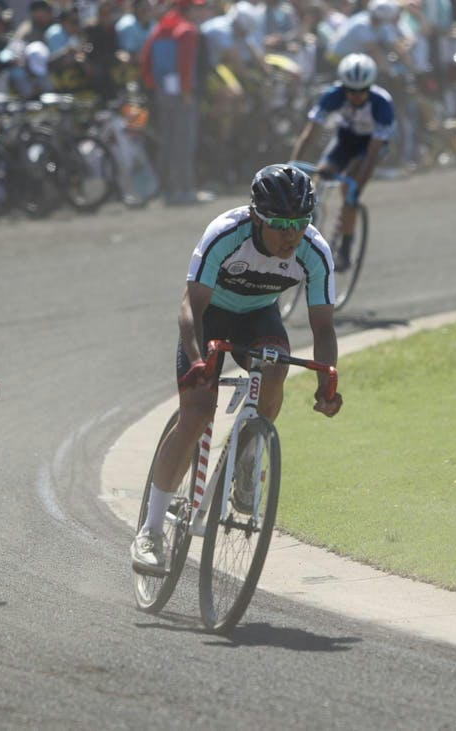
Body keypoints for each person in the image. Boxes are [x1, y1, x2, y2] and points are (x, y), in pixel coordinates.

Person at [130, 164, 342, 575]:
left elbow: (323, 326)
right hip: (210, 316)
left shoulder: (315, 250)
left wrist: (326, 383)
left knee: (275, 369)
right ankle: (150, 533)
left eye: (300, 224)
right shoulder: (226, 234)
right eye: (280, 225)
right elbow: (191, 307)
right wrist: (197, 361)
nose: (291, 236)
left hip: (259, 317)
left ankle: (248, 455)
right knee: (196, 414)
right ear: (257, 217)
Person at [290, 53, 394, 271]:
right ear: (343, 86)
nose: (356, 96)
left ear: (370, 87)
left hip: (369, 146)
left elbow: (372, 155)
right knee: (319, 177)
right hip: (345, 139)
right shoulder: (333, 95)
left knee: (349, 190)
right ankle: (310, 219)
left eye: (362, 91)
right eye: (351, 91)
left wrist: (356, 186)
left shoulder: (382, 104)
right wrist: (293, 165)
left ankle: (345, 249)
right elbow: (310, 134)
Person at [140, 0, 210, 206]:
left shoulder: (160, 27)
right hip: (182, 94)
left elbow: (145, 60)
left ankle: (169, 191)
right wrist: (187, 90)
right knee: (184, 143)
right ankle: (186, 190)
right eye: (198, 7)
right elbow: (186, 63)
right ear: (189, 9)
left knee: (169, 142)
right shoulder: (187, 30)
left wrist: (154, 85)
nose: (201, 11)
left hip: (163, 92)